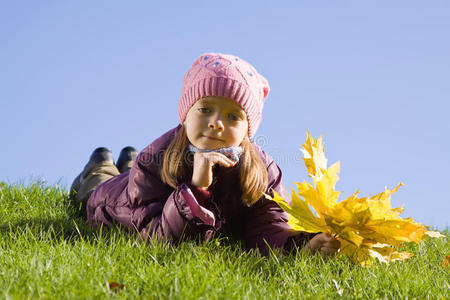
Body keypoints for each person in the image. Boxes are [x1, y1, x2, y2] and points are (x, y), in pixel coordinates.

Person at [70, 53, 339, 256]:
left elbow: (269, 226)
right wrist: (196, 189)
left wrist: (301, 246)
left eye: (233, 116)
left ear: (248, 130)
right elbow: (157, 241)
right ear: (186, 115)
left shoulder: (263, 172)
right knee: (99, 189)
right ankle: (99, 167)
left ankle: (125, 161)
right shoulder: (156, 158)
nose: (216, 122)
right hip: (117, 200)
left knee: (129, 168)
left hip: (139, 181)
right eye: (205, 109)